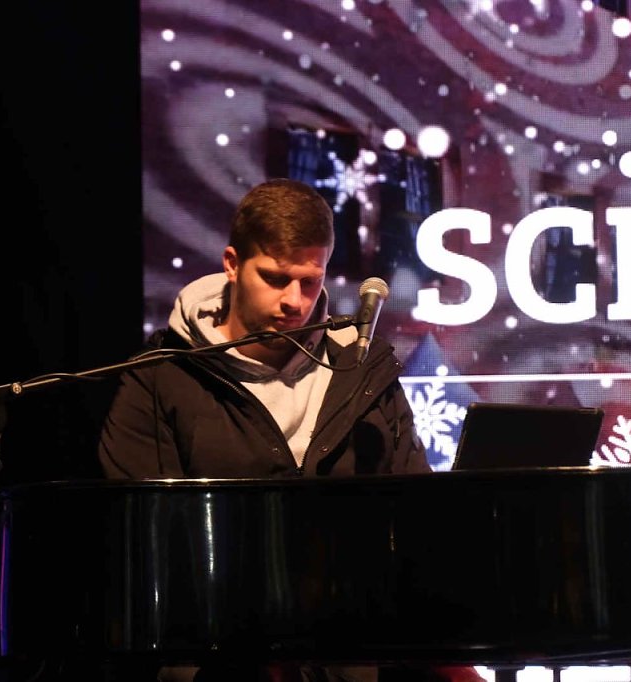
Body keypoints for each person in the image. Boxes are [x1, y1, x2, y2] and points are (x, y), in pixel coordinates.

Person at [97, 178, 482, 682]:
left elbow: (415, 520)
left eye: (310, 280)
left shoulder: (363, 370)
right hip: (215, 661)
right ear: (232, 263)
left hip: (352, 659)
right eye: (275, 278)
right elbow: (143, 544)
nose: (294, 301)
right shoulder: (159, 376)